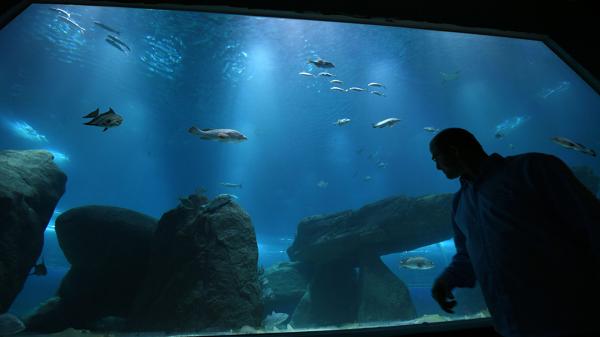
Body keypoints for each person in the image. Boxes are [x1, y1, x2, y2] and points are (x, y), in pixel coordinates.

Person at [429, 128, 600, 337]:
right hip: (510, 325)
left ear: (454, 150)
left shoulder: (533, 168)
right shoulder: (460, 202)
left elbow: (590, 221)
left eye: (436, 157)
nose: (437, 166)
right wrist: (447, 280)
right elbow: (468, 255)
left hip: (572, 318)